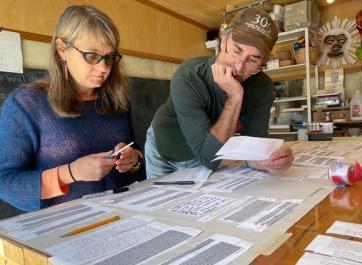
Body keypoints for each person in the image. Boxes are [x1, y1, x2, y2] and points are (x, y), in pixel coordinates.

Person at [0, 5, 144, 212]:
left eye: (110, 57)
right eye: (92, 56)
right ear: (62, 50)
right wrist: (70, 173)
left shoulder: (117, 99)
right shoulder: (27, 104)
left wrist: (134, 160)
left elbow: (136, 159)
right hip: (64, 231)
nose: (104, 68)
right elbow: (5, 183)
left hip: (122, 216)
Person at [145, 7, 293, 178]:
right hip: (164, 147)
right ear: (223, 41)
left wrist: (269, 161)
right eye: (237, 50)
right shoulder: (189, 75)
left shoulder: (262, 87)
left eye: (253, 60)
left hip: (206, 150)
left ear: (262, 64)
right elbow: (209, 158)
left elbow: (252, 147)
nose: (238, 67)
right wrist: (235, 96)